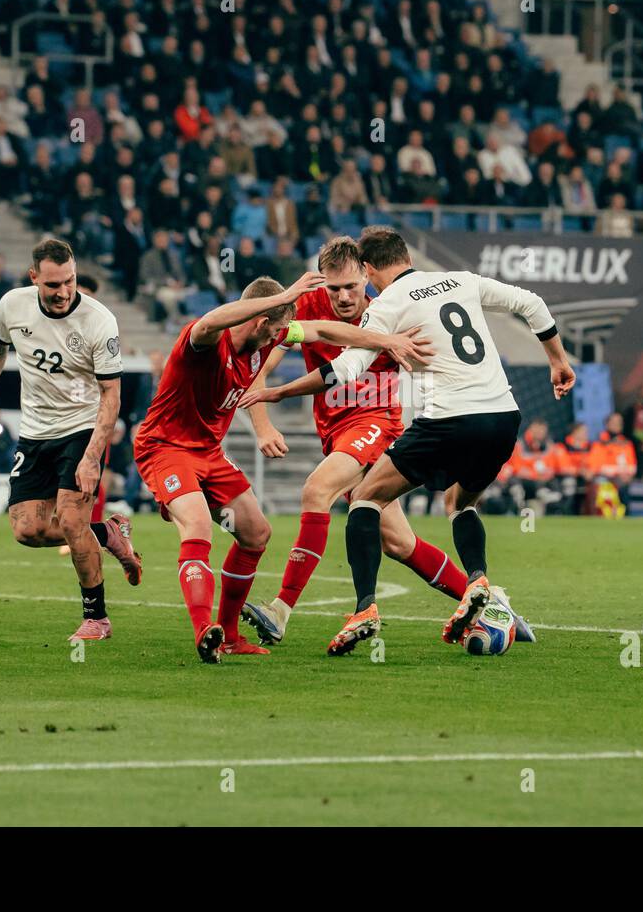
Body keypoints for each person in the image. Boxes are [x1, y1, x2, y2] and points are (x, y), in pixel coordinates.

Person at [240, 226, 574, 655]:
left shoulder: (386, 309)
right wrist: (263, 424)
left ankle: (283, 609)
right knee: (399, 542)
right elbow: (263, 361)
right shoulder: (310, 305)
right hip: (364, 428)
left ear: (367, 275)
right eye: (335, 288)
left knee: (317, 491)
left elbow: (343, 367)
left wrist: (282, 391)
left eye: (352, 287)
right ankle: (493, 606)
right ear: (323, 283)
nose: (344, 297)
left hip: (376, 424)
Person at [133, 271, 432, 663]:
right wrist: (289, 293)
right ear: (259, 321)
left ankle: (230, 635)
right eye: (276, 328)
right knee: (200, 525)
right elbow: (208, 321)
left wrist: (386, 340)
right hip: (165, 448)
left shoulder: (266, 339)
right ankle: (204, 630)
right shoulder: (206, 341)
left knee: (256, 534)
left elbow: (326, 332)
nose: (282, 337)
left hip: (208, 451)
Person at [0, 239, 141, 642]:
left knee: (73, 518)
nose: (63, 292)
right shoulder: (13, 305)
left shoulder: (99, 321)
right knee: (27, 531)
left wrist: (93, 456)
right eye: (53, 285)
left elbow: (111, 395)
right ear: (34, 279)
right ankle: (110, 533)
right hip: (35, 432)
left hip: (81, 427)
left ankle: (97, 618)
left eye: (69, 281)